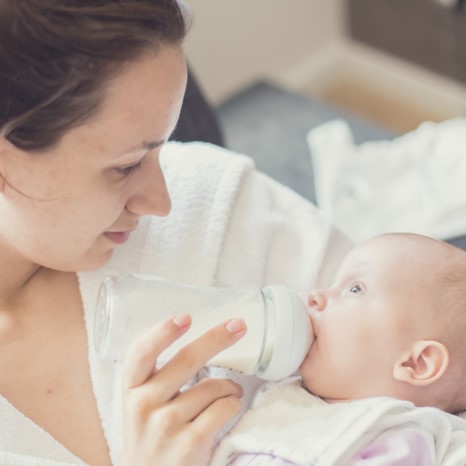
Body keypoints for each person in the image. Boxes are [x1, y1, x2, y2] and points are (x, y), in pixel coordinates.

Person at [0, 1, 351, 465]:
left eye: (161, 148)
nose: (161, 204)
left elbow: (435, 354)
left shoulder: (217, 204)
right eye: (125, 167)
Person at [211, 233, 466, 466]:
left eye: (355, 289)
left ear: (416, 363)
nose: (314, 295)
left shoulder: (398, 439)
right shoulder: (286, 404)